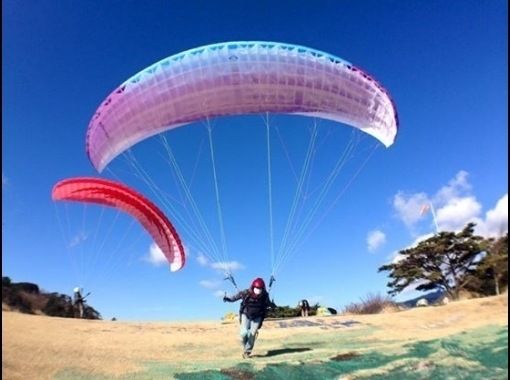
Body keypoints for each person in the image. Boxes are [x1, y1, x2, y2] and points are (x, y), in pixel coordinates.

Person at [223, 277, 276, 358]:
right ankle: (245, 347)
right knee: (244, 333)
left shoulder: (265, 295)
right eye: (257, 288)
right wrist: (228, 299)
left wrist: (272, 305)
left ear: (263, 288)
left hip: (257, 316)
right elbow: (235, 297)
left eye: (260, 288)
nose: (258, 290)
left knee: (252, 333)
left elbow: (268, 303)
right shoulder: (246, 293)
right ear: (253, 287)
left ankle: (247, 352)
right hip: (246, 314)